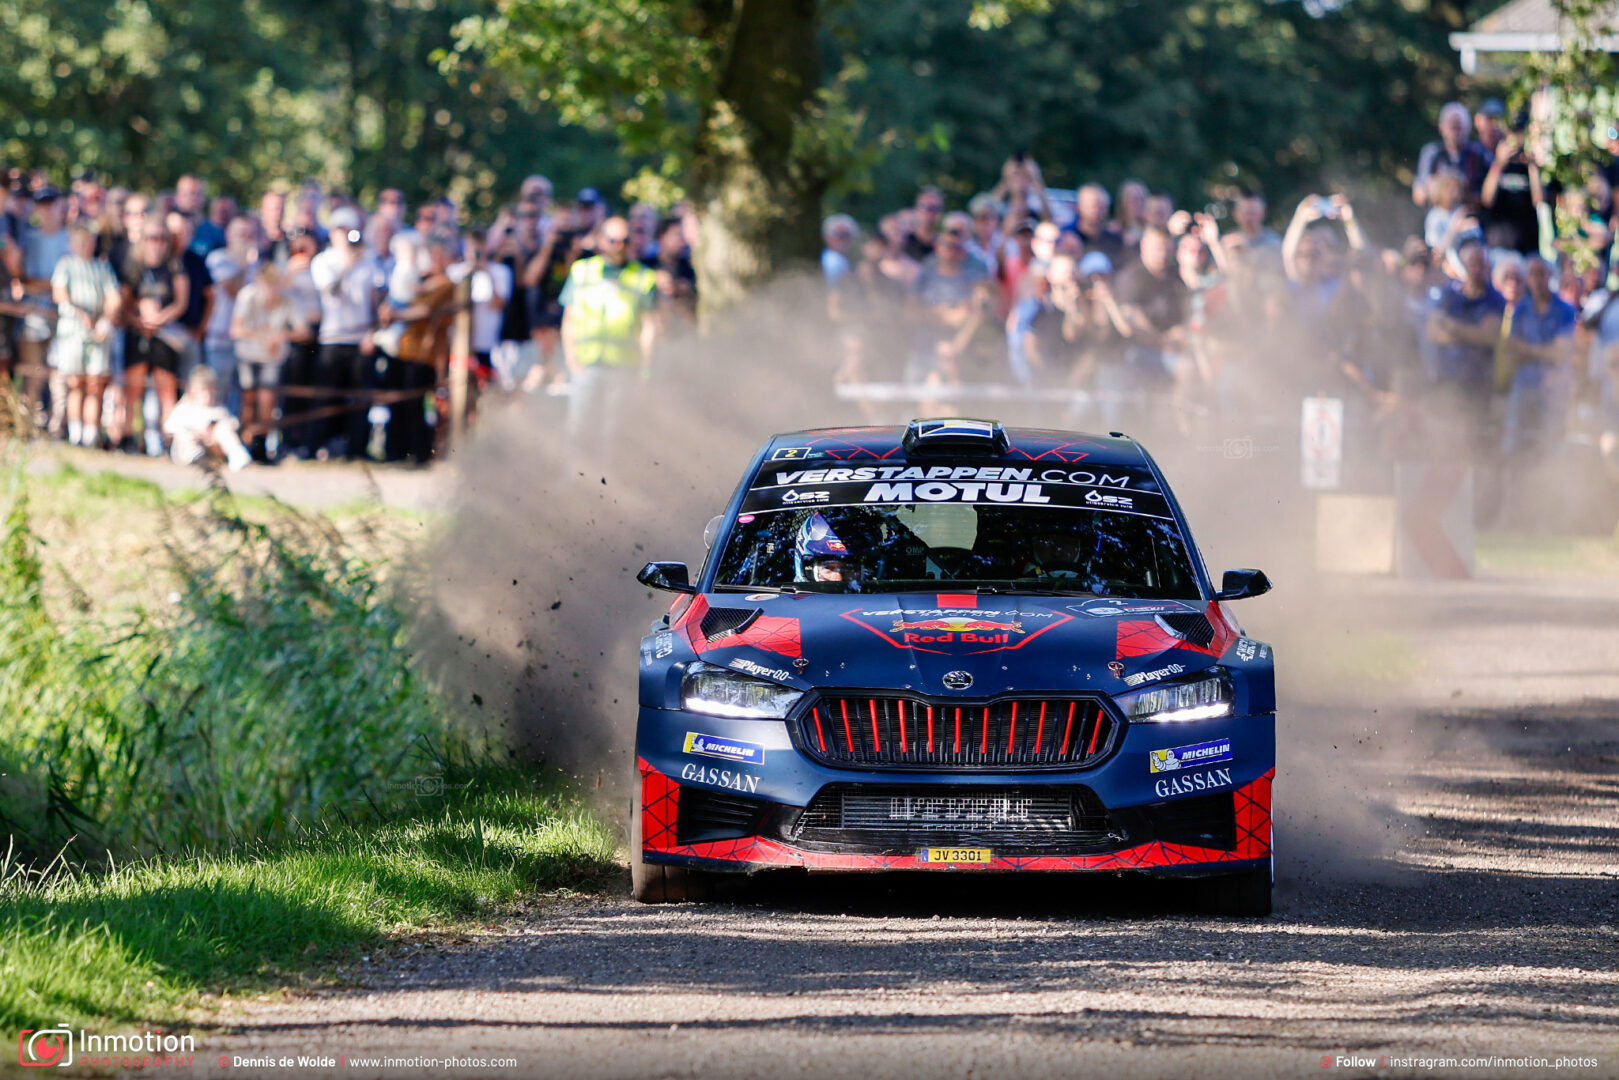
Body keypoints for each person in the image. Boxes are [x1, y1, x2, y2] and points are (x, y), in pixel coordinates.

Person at [558, 216, 659, 441]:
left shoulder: (644, 277)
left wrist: (645, 369)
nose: (619, 246)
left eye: (624, 240)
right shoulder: (581, 271)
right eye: (613, 240)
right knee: (578, 429)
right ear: (601, 240)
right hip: (586, 364)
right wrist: (571, 359)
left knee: (614, 433)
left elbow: (649, 328)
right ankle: (574, 476)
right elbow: (569, 319)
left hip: (623, 368)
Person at [308, 206, 384, 458]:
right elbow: (330, 292)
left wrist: (372, 333)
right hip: (333, 337)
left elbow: (376, 303)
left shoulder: (370, 260)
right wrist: (348, 265)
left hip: (361, 339)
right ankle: (317, 446)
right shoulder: (323, 261)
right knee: (326, 397)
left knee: (360, 399)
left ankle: (356, 451)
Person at [1425, 238, 1506, 454]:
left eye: (1482, 263)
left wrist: (1453, 328)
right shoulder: (1449, 295)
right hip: (1448, 381)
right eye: (1473, 263)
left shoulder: (1496, 300)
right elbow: (1433, 331)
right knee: (1446, 440)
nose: (1477, 269)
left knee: (1474, 443)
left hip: (1478, 384)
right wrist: (1472, 333)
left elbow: (1489, 337)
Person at [49, 224, 120, 447]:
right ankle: (75, 431)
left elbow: (113, 296)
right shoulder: (66, 265)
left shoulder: (102, 267)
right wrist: (81, 315)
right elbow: (60, 293)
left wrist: (106, 319)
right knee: (75, 381)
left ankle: (91, 432)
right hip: (73, 329)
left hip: (98, 330)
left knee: (95, 383)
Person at [123, 217, 190, 450]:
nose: (157, 243)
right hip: (139, 332)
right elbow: (125, 301)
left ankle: (168, 441)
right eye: (152, 238)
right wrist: (140, 320)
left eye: (162, 238)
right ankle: (129, 437)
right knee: (133, 387)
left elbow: (181, 302)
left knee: (166, 389)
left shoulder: (174, 266)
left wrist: (159, 319)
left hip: (164, 334)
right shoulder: (135, 265)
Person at [1501, 254, 1576, 458]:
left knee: (1551, 451)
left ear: (1549, 275)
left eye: (1540, 274)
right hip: (1524, 388)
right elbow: (1512, 353)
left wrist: (1527, 350)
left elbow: (1560, 353)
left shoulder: (1565, 311)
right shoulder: (1521, 311)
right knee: (1516, 449)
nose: (1536, 279)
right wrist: (1545, 351)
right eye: (1531, 274)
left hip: (1553, 392)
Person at [230, 263, 303, 460]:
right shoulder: (247, 297)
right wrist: (263, 336)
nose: (271, 290)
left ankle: (261, 444)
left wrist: (281, 336)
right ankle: (244, 442)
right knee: (248, 400)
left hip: (271, 358)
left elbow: (303, 331)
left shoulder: (287, 301)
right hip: (248, 355)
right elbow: (236, 329)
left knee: (267, 400)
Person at [204, 215, 259, 414]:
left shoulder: (257, 264)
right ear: (229, 235)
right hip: (220, 338)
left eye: (249, 234)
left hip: (247, 341)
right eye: (241, 234)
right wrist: (244, 264)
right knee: (217, 391)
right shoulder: (217, 258)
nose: (245, 239)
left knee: (241, 395)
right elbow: (233, 289)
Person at [164, 366, 252, 471]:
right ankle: (195, 458)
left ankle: (237, 454)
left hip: (212, 448)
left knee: (223, 430)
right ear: (192, 390)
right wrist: (197, 432)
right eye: (203, 391)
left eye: (211, 391)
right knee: (184, 435)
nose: (208, 395)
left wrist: (212, 433)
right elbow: (169, 428)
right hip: (188, 451)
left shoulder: (218, 410)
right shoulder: (184, 408)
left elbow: (232, 425)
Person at [1413, 102, 1491, 207]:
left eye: (1459, 126)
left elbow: (1486, 196)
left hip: (1468, 213)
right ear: (1441, 128)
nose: (1456, 132)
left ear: (1468, 128)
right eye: (1452, 126)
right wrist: (1437, 188)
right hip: (1438, 212)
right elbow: (1418, 196)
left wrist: (1463, 193)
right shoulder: (1432, 153)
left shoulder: (1479, 154)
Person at [1481, 130, 1543, 255]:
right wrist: (1499, 163)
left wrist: (1532, 165)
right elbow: (1487, 199)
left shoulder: (1529, 167)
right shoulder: (1492, 164)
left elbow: (1539, 201)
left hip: (1527, 246)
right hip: (1500, 246)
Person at [793, 512, 851, 585]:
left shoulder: (867, 594)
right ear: (808, 568)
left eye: (847, 569)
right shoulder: (781, 595)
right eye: (827, 568)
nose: (838, 578)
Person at [903, 187, 946, 262]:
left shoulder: (946, 246)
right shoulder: (903, 240)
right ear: (916, 209)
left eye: (936, 208)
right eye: (927, 207)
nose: (931, 213)